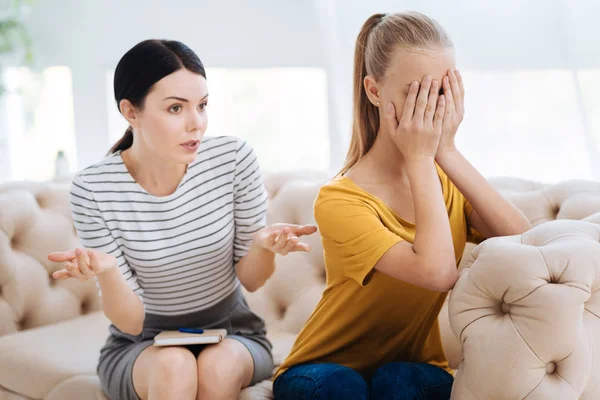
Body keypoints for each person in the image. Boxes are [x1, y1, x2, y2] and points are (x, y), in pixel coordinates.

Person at [273, 11, 531, 400]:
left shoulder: (446, 183)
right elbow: (438, 272)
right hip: (322, 368)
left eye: (440, 92)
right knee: (343, 386)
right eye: (415, 93)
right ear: (375, 92)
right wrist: (420, 158)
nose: (430, 108)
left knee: (397, 381)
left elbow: (526, 242)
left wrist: (447, 151)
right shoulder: (341, 199)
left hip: (412, 370)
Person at [47, 39, 317, 400]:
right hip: (140, 345)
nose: (197, 124)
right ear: (131, 112)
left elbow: (251, 281)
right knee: (173, 365)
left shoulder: (233, 159)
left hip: (233, 332)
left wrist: (263, 247)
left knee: (215, 367)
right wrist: (109, 271)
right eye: (176, 108)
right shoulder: (94, 188)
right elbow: (130, 322)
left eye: (202, 106)